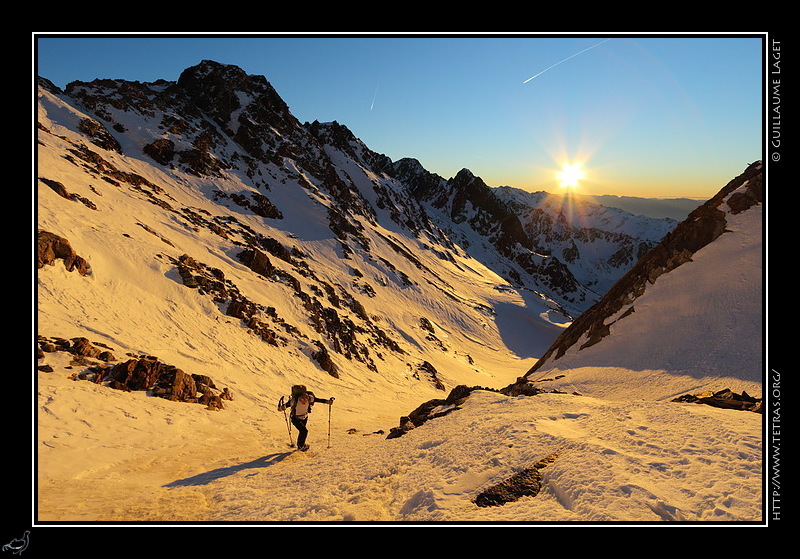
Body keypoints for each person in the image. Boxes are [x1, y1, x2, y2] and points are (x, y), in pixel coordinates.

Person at [278, 385, 334, 451]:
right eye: (302, 399)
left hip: (304, 417)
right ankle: (301, 446)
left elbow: (318, 400)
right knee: (304, 431)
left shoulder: (309, 398)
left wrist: (328, 401)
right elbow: (283, 407)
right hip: (295, 419)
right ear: (299, 398)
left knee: (302, 432)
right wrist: (281, 408)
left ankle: (301, 445)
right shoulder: (294, 401)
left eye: (305, 399)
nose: (304, 401)